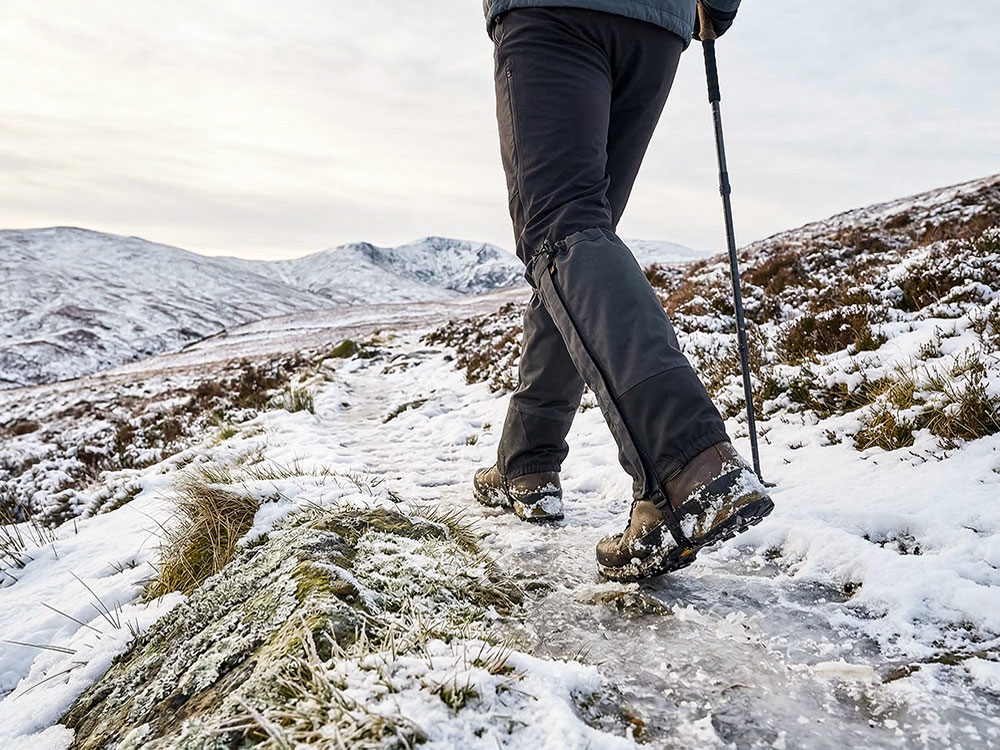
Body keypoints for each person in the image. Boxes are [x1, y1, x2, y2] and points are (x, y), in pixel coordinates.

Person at [472, 0, 773, 582]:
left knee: (562, 230)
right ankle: (527, 461)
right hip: (655, 27)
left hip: (555, 11)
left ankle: (687, 460)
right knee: (581, 238)